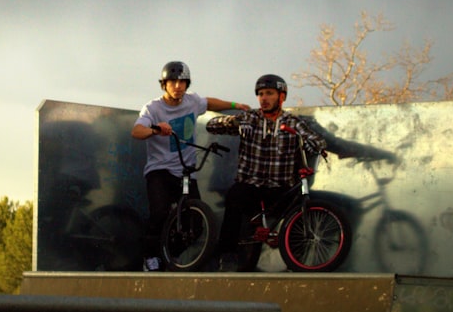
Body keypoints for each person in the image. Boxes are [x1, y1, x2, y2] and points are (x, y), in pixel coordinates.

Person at [131, 61, 247, 272]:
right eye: (173, 82)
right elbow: (137, 131)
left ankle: (168, 254)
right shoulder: (153, 108)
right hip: (160, 171)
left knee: (197, 223)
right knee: (160, 213)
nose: (178, 86)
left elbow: (209, 103)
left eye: (182, 82)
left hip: (185, 171)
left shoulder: (192, 101)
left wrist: (235, 105)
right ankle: (150, 256)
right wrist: (156, 129)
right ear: (164, 84)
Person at [205, 73, 327, 272]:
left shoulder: (292, 122)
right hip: (250, 185)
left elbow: (316, 140)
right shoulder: (250, 118)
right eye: (260, 94)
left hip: (280, 188)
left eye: (269, 93)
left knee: (302, 204)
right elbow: (212, 125)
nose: (264, 98)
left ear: (282, 96)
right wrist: (233, 122)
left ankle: (297, 259)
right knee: (234, 197)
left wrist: (316, 147)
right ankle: (227, 254)